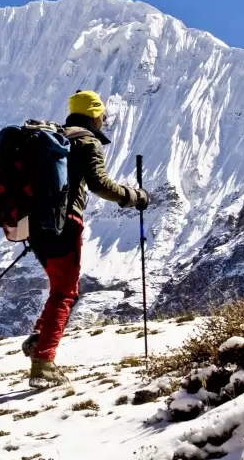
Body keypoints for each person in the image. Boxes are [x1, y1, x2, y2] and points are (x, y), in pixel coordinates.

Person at [23, 91, 149, 388]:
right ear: (94, 115)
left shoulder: (52, 140)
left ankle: (40, 339)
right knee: (66, 291)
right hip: (65, 223)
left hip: (35, 225)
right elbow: (99, 185)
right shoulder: (86, 141)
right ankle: (43, 362)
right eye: (102, 115)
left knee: (60, 288)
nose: (104, 120)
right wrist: (135, 197)